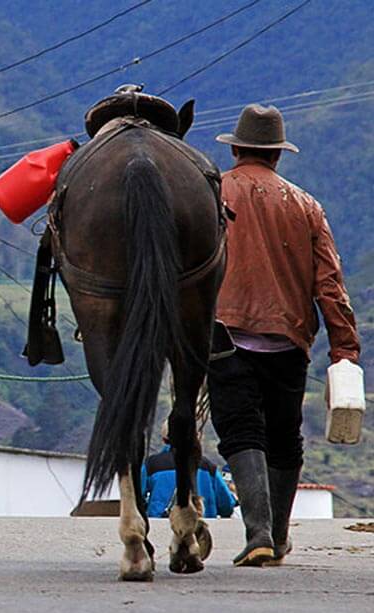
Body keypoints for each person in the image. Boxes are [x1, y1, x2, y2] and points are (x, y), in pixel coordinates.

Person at [209, 104, 361, 567]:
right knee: (284, 436)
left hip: (226, 334)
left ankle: (257, 532)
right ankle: (276, 536)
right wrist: (344, 348)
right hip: (288, 340)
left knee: (241, 429)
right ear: (277, 155)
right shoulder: (306, 205)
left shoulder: (213, 193)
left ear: (236, 149)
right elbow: (329, 284)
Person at [140, 426, 236, 519]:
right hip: (201, 525)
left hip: (160, 525)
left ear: (164, 439)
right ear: (195, 437)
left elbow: (137, 497)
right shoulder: (208, 467)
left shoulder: (151, 465)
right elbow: (227, 506)